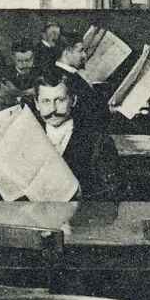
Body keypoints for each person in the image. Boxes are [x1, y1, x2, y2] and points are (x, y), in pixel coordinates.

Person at [30, 67, 122, 201]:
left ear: (73, 100)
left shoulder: (98, 141)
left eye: (60, 100)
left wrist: (81, 192)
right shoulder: (26, 139)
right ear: (36, 103)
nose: (53, 109)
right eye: (46, 101)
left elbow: (112, 192)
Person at [54, 29, 109, 122]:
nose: (84, 55)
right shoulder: (61, 77)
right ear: (66, 52)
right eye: (80, 51)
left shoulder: (70, 74)